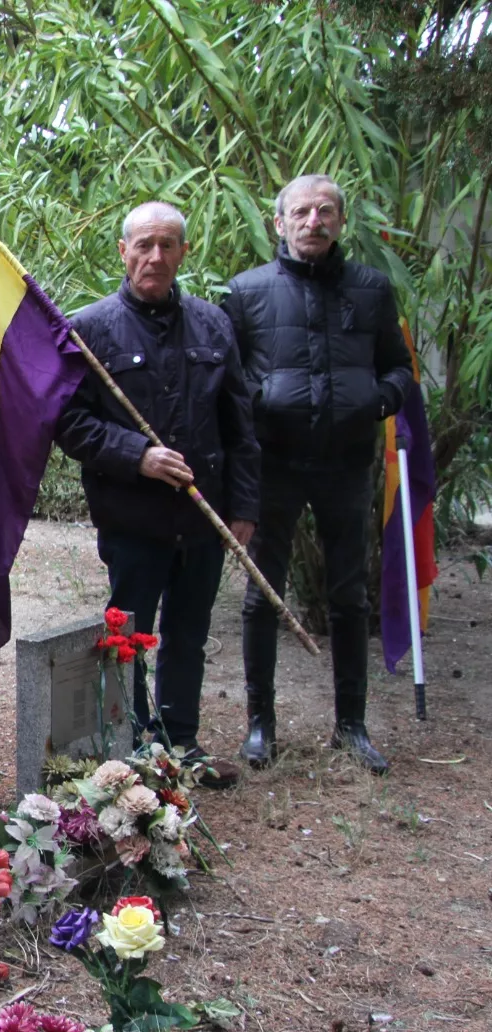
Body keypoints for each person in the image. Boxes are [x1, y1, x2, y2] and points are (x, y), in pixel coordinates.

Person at [56, 201, 258, 788]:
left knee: (189, 635)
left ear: (183, 253)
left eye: (167, 245)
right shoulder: (89, 329)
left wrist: (244, 506)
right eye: (144, 245)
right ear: (123, 251)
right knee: (128, 637)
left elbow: (240, 424)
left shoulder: (214, 324)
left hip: (202, 517)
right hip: (132, 517)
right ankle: (128, 745)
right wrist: (137, 455)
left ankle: (179, 742)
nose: (155, 256)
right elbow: (69, 423)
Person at [222, 174, 413, 775]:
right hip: (273, 464)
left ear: (340, 221)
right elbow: (229, 378)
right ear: (279, 223)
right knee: (263, 593)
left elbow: (400, 368)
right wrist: (263, 400)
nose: (314, 221)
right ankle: (260, 725)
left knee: (349, 597)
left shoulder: (372, 289)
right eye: (301, 212)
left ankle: (351, 725)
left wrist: (376, 399)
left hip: (346, 463)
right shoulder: (247, 291)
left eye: (325, 211)